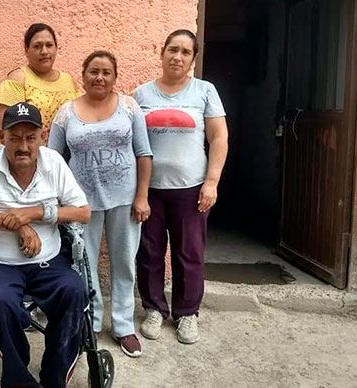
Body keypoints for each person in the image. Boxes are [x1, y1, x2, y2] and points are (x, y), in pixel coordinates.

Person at [0, 102, 91, 388]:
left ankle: (54, 377)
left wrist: (35, 213)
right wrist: (12, 222)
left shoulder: (53, 162)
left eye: (30, 137)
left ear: (42, 136)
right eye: (14, 137)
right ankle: (18, 380)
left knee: (75, 291)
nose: (23, 146)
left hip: (49, 259)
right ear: (1, 136)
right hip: (1, 263)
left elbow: (82, 212)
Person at [48, 50, 153, 358]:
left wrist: (142, 196)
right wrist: (59, 202)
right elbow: (53, 160)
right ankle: (90, 323)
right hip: (81, 203)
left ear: (115, 77)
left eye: (106, 72)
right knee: (84, 265)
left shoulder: (130, 108)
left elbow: (144, 153)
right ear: (83, 75)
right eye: (94, 71)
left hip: (124, 199)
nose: (100, 77)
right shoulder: (66, 113)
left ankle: (123, 327)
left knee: (124, 263)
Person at [134, 29, 228, 344]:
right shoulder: (142, 94)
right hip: (150, 189)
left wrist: (211, 182)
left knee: (190, 253)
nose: (178, 57)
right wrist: (138, 192)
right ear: (161, 53)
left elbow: (219, 138)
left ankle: (187, 314)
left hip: (191, 188)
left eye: (186, 52)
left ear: (193, 59)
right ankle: (153, 309)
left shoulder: (204, 91)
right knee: (149, 251)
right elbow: (133, 142)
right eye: (173, 49)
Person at [0, 23, 80, 138]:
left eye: (49, 45)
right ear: (26, 50)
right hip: (32, 153)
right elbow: (8, 132)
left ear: (56, 48)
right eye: (37, 46)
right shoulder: (18, 79)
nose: (44, 51)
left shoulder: (68, 81)